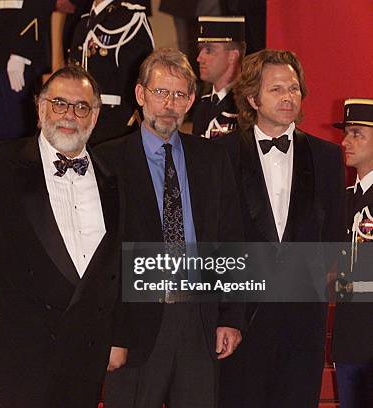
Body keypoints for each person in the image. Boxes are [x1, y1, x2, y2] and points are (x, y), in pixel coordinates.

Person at [96, 48, 244, 408]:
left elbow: (230, 240)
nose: (169, 104)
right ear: (140, 94)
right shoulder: (106, 160)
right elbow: (99, 257)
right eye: (161, 92)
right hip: (135, 325)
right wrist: (111, 333)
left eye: (179, 95)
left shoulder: (211, 158)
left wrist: (230, 317)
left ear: (191, 100)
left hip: (198, 320)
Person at [0, 65, 120, 407]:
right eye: (59, 104)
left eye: (81, 106)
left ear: (95, 116)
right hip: (18, 352)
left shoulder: (114, 177)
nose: (70, 115)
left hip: (85, 354)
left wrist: (120, 337)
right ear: (40, 109)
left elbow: (120, 265)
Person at [216, 49, 345, 408]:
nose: (288, 97)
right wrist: (226, 315)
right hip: (241, 320)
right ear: (253, 98)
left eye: (293, 88)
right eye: (276, 89)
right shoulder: (220, 155)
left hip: (302, 322)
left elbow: (333, 236)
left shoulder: (327, 157)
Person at [332, 98, 373, 408]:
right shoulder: (343, 200)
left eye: (357, 133)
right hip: (348, 341)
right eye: (346, 133)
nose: (346, 141)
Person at [68, 0, 154, 145]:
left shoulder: (131, 19)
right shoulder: (83, 22)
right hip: (82, 124)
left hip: (114, 130)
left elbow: (139, 84)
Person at [0, 0, 55, 142]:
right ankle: (0, 163)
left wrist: (21, 53)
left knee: (19, 127)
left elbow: (39, 4)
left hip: (21, 43)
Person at [191, 16, 245, 139]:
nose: (199, 58)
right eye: (200, 50)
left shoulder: (245, 105)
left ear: (233, 56)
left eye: (209, 50)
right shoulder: (203, 104)